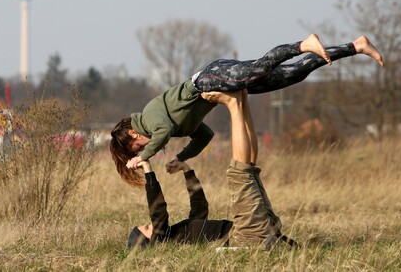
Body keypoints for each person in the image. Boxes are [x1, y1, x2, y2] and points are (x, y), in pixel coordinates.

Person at [111, 34, 384, 187]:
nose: (146, 150)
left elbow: (163, 131)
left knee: (262, 67)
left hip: (209, 78)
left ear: (134, 133)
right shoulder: (177, 126)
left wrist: (142, 157)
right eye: (140, 152)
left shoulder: (149, 117)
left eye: (138, 148)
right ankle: (356, 46)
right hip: (223, 83)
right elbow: (205, 136)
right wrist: (181, 157)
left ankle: (303, 44)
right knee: (291, 76)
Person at [127, 90, 298, 249]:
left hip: (262, 230)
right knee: (239, 173)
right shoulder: (162, 239)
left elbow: (199, 209)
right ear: (149, 241)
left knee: (250, 170)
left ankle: (242, 101)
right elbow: (158, 212)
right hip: (248, 236)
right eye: (148, 227)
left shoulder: (179, 236)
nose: (152, 224)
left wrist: (187, 171)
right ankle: (233, 104)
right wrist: (148, 171)